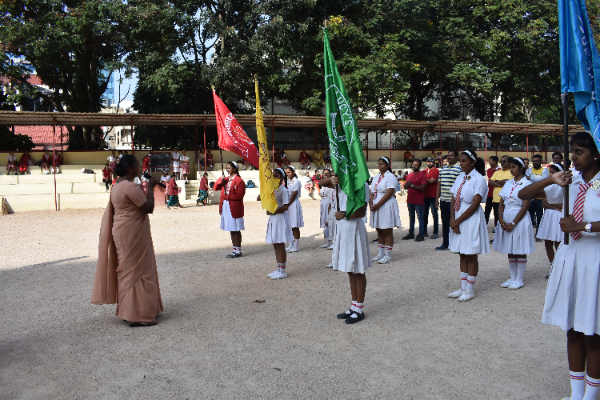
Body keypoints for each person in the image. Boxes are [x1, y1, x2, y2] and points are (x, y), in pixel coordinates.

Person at [518, 131, 600, 400]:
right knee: (573, 329)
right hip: (571, 257)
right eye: (571, 151)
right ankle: (576, 393)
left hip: (595, 258)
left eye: (579, 152)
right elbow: (523, 193)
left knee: (593, 331)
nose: (573, 157)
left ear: (595, 153)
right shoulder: (570, 181)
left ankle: (591, 395)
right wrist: (551, 179)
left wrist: (583, 226)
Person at [91, 154, 163, 327]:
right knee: (139, 270)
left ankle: (128, 311)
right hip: (132, 233)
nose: (139, 168)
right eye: (137, 165)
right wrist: (152, 187)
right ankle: (140, 314)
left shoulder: (118, 185)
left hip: (122, 231)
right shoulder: (129, 186)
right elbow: (148, 207)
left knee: (128, 270)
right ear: (130, 168)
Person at [320, 174, 371, 324]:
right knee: (350, 269)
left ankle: (359, 309)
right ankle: (353, 306)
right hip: (343, 228)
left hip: (354, 227)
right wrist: (330, 180)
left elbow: (361, 211)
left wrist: (342, 214)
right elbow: (321, 182)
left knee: (358, 269)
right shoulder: (339, 183)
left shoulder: (361, 185)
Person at [447, 150, 489, 302]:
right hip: (458, 215)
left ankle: (469, 290)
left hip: (470, 218)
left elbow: (476, 203)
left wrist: (458, 221)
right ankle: (463, 287)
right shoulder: (460, 177)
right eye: (461, 161)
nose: (461, 163)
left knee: (470, 254)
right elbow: (453, 198)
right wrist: (453, 220)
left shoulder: (479, 179)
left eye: (464, 161)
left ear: (472, 162)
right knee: (462, 253)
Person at [493, 157, 535, 290]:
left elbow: (525, 206)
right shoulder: (508, 183)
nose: (511, 169)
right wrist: (501, 220)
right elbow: (501, 203)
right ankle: (512, 277)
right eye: (510, 167)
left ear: (521, 168)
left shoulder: (526, 183)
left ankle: (519, 279)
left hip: (519, 218)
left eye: (513, 167)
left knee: (519, 248)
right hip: (506, 216)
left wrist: (513, 223)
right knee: (510, 248)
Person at [263, 168, 294, 280]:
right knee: (275, 243)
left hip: (280, 217)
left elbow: (286, 206)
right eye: (272, 176)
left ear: (281, 177)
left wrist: (273, 211)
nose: (274, 178)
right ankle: (278, 267)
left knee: (280, 244)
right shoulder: (272, 189)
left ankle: (283, 270)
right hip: (273, 218)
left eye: (276, 176)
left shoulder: (283, 190)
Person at [370, 157, 402, 263]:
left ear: (387, 165)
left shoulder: (391, 177)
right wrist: (371, 203)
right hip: (376, 204)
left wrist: (377, 205)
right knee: (379, 229)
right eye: (378, 164)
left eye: (382, 164)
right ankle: (380, 253)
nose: (379, 166)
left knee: (387, 229)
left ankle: (388, 256)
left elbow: (389, 193)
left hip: (386, 205)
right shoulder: (376, 177)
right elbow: (371, 192)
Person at [535, 163, 564, 277]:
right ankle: (552, 266)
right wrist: (555, 206)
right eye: (550, 172)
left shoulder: (564, 186)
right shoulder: (547, 185)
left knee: (558, 242)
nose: (551, 174)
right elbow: (544, 203)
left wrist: (553, 205)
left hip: (558, 216)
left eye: (553, 172)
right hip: (549, 215)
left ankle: (561, 267)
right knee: (548, 243)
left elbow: (565, 204)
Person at [214, 161, 246, 258]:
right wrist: (220, 179)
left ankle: (238, 250)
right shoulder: (226, 179)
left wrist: (227, 197)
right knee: (231, 229)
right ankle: (234, 249)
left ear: (234, 169)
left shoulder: (240, 181)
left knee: (235, 229)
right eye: (227, 168)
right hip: (226, 206)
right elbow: (215, 188)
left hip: (234, 206)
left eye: (229, 168)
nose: (227, 170)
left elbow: (240, 195)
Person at [435, 150, 462, 250]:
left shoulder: (460, 169)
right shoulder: (443, 169)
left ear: (456, 157)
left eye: (451, 155)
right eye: (448, 156)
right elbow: (439, 185)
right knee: (445, 223)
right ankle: (446, 243)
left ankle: (457, 243)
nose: (449, 157)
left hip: (454, 201)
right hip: (443, 200)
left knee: (455, 222)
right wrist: (437, 199)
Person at [488, 155, 513, 241]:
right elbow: (490, 182)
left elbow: (508, 182)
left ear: (509, 162)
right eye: (501, 161)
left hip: (506, 200)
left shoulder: (511, 172)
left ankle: (506, 237)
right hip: (496, 199)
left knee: (506, 219)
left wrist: (496, 182)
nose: (502, 163)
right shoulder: (497, 172)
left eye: (504, 161)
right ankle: (497, 238)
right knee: (497, 219)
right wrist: (501, 183)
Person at [403, 159, 427, 241]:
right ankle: (411, 233)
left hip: (418, 200)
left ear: (419, 166)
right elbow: (406, 186)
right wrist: (406, 185)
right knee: (411, 217)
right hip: (410, 199)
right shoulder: (409, 175)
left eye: (416, 165)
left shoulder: (422, 175)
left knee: (420, 217)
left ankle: (421, 234)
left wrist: (412, 186)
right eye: (413, 164)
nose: (414, 166)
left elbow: (423, 187)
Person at [527, 154, 549, 240]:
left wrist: (531, 178)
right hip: (531, 197)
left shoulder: (545, 170)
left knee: (540, 217)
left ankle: (538, 235)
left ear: (541, 161)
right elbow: (528, 181)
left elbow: (544, 181)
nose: (535, 163)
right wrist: (538, 179)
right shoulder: (529, 170)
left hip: (540, 198)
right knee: (529, 217)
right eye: (534, 161)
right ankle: (529, 235)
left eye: (537, 161)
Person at [285, 166, 304, 252]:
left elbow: (294, 194)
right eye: (286, 173)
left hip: (293, 204)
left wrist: (288, 204)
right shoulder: (289, 182)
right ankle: (291, 244)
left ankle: (296, 246)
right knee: (290, 225)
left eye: (288, 172)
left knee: (295, 225)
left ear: (293, 172)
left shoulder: (296, 182)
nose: (287, 174)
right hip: (288, 204)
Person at [423, 156, 439, 239]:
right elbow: (429, 180)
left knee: (434, 215)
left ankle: (435, 232)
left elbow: (432, 181)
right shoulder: (424, 171)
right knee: (425, 215)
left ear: (433, 163)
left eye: (431, 161)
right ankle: (424, 232)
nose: (429, 163)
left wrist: (423, 180)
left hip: (433, 195)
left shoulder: (436, 171)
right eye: (428, 161)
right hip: (425, 195)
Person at [484, 156, 501, 230]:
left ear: (495, 162)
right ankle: (484, 224)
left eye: (490, 161)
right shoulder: (488, 170)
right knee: (487, 210)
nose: (489, 162)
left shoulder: (500, 171)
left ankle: (496, 226)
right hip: (489, 194)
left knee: (496, 211)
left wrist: (494, 183)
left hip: (497, 194)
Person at [318, 169, 332, 248]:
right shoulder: (323, 184)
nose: (326, 175)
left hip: (328, 203)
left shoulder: (331, 184)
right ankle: (326, 241)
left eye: (327, 173)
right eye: (324, 173)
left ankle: (331, 241)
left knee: (329, 222)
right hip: (323, 204)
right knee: (324, 222)